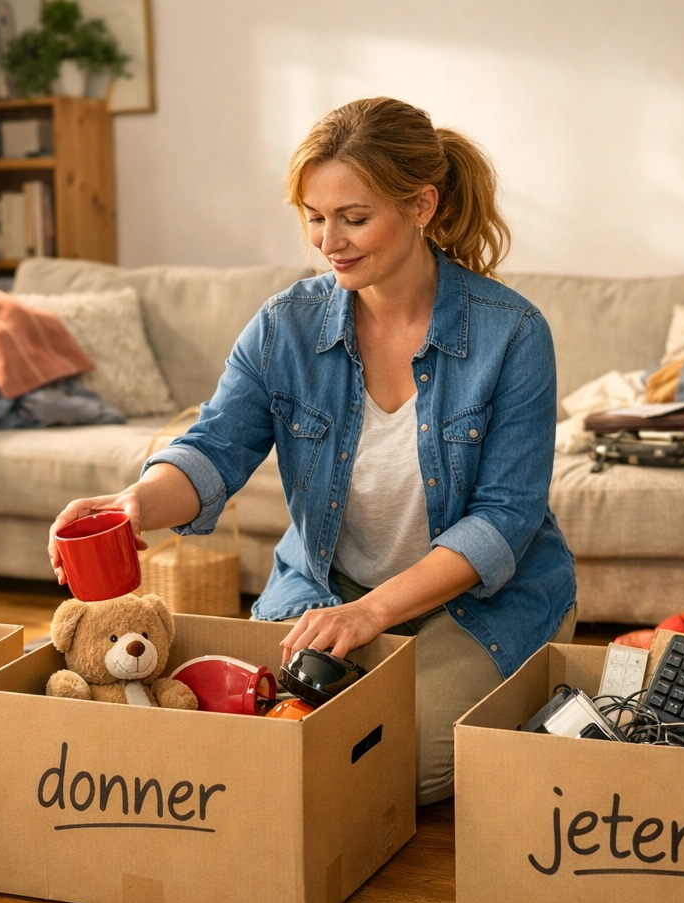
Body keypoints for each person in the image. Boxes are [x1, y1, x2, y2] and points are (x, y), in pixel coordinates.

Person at [50, 97, 576, 803]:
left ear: (422, 205)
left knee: (391, 761)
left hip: (475, 600)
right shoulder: (284, 327)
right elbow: (214, 447)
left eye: (355, 218)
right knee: (257, 725)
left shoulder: (511, 334)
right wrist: (135, 502)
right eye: (315, 218)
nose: (332, 241)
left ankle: (525, 661)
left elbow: (505, 518)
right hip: (329, 584)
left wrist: (373, 615)